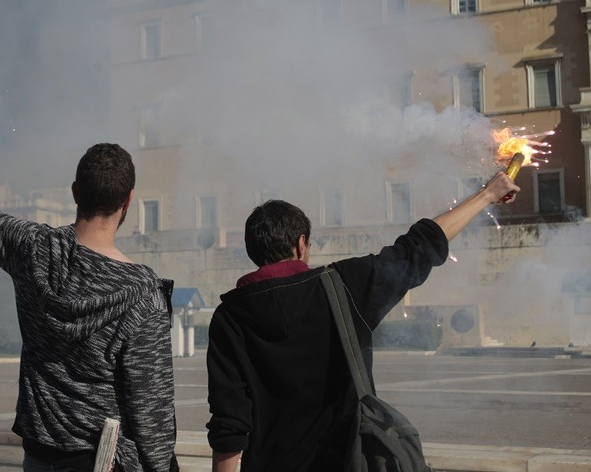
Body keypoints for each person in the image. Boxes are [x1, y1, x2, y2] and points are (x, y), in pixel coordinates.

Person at [0, 128, 179, 472]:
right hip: (105, 462)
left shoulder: (31, 249)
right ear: (127, 201)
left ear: (76, 192)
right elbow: (152, 418)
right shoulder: (143, 297)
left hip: (40, 457)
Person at [206, 173, 519, 471]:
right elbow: (418, 247)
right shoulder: (342, 285)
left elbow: (229, 422)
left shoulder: (229, 317)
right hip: (347, 461)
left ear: (252, 251)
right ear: (302, 244)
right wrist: (487, 194)